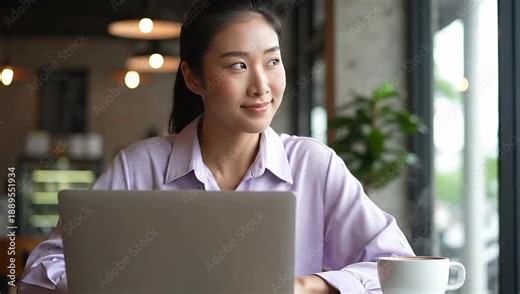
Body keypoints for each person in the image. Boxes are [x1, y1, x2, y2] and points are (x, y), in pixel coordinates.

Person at [18, 0, 414, 293]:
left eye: (272, 62)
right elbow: (41, 273)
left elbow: (400, 268)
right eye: (238, 65)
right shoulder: (141, 167)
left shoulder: (315, 165)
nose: (261, 85)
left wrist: (311, 286)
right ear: (193, 78)